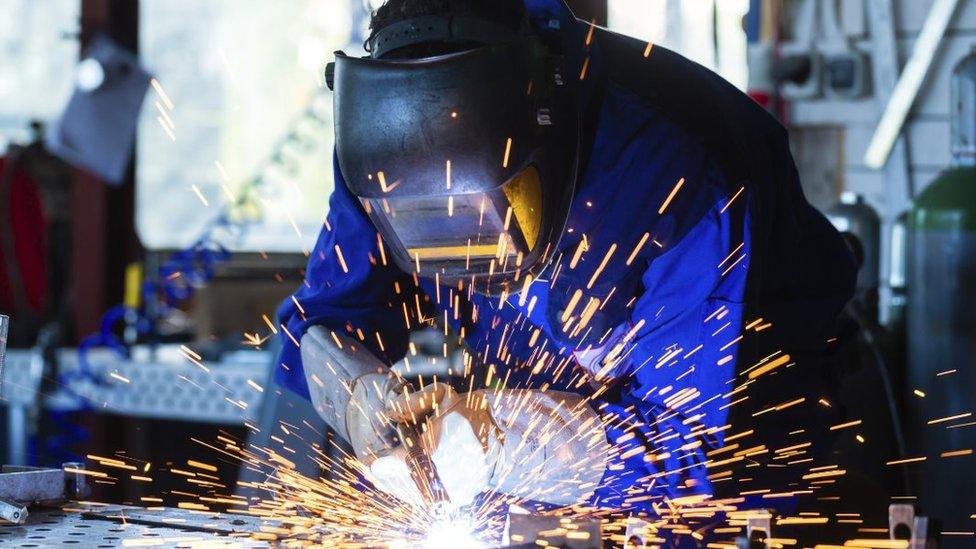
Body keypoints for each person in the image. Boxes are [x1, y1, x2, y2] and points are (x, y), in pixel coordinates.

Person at [277, 0, 856, 519]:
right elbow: (326, 319)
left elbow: (692, 449)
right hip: (537, 471)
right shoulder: (380, 146)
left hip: (736, 479)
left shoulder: (678, 176)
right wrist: (359, 400)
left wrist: (510, 442)